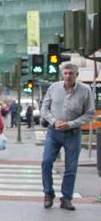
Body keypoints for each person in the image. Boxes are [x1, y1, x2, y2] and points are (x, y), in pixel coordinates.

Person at [40, 63, 95, 211]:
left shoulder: (85, 90)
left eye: (71, 73)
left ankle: (66, 199)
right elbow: (44, 108)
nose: (68, 76)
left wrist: (70, 124)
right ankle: (48, 193)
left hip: (73, 133)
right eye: (65, 73)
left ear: (76, 75)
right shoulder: (54, 87)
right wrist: (54, 121)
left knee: (70, 168)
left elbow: (90, 113)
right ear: (62, 75)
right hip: (53, 132)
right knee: (46, 162)